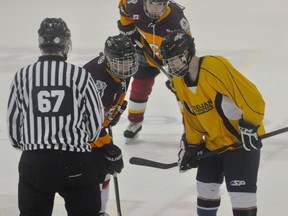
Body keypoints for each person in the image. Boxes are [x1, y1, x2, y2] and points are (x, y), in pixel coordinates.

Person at [160, 30, 265, 216]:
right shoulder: (178, 81)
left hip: (240, 142)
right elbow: (190, 117)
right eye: (168, 61)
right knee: (205, 188)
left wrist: (250, 124)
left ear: (187, 53)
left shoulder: (215, 66)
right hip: (213, 144)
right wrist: (192, 145)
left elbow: (251, 96)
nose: (171, 65)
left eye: (174, 59)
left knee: (241, 197)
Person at [7, 18, 105, 216]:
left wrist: (34, 146)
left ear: (41, 43)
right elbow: (95, 124)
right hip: (75, 161)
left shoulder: (21, 76)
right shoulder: (80, 75)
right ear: (66, 43)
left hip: (35, 163)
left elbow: (14, 128)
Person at [117, 0, 191, 141]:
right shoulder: (133, 4)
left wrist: (179, 67)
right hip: (146, 51)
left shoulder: (176, 19)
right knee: (140, 86)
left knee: (181, 90)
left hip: (173, 56)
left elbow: (188, 46)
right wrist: (130, 34)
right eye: (152, 3)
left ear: (166, 4)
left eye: (160, 4)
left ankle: (190, 125)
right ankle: (135, 121)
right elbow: (124, 10)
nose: (155, 8)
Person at [84, 34, 138, 216]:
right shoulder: (97, 81)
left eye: (129, 61)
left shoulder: (119, 68)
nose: (126, 66)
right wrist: (108, 145)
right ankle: (94, 211)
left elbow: (119, 89)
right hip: (81, 134)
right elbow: (86, 123)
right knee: (97, 171)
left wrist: (116, 109)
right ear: (108, 60)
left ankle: (99, 211)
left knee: (105, 170)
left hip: (95, 127)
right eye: (120, 62)